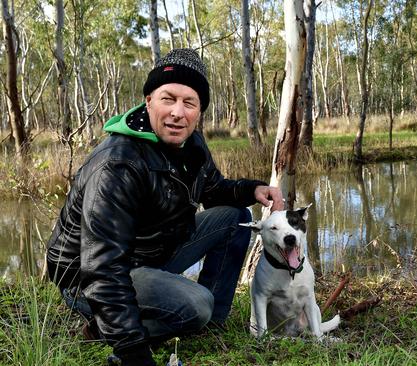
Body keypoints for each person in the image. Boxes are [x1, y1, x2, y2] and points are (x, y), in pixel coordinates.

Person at [46, 48, 282, 366]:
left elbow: (212, 190)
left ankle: (211, 324)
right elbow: (101, 266)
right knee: (196, 303)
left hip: (150, 253)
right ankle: (103, 329)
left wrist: (252, 190)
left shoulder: (191, 143)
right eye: (168, 98)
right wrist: (133, 352)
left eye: (189, 103)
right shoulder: (118, 164)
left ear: (200, 111)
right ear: (148, 101)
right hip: (87, 277)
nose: (177, 112)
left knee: (235, 218)